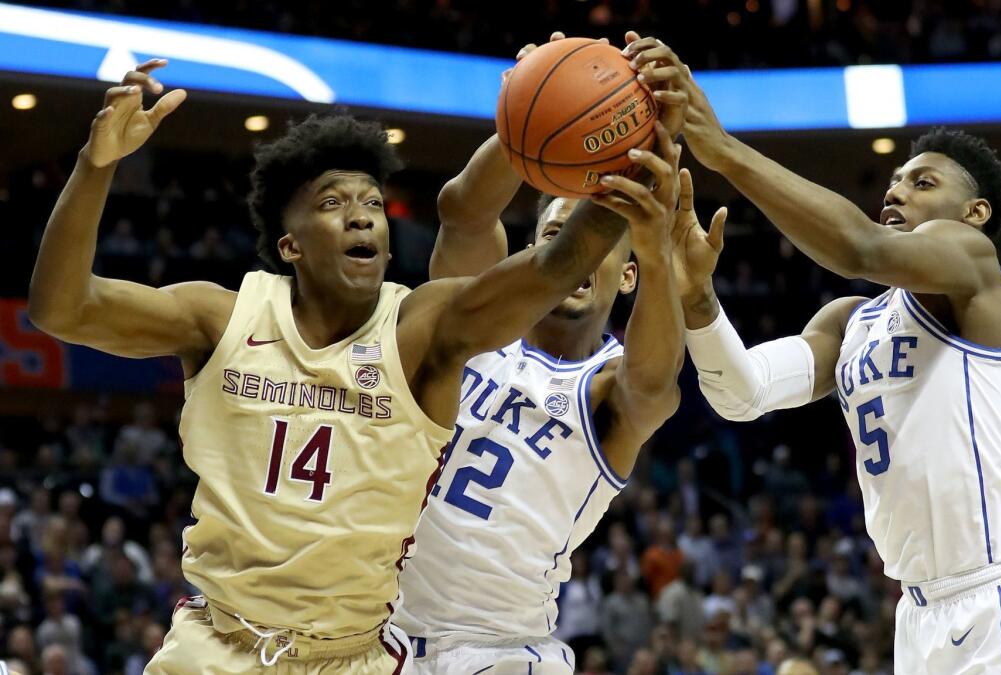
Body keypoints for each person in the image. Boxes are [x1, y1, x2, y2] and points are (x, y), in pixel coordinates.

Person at [28, 57, 654, 672]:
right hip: (215, 648)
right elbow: (63, 308)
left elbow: (556, 266)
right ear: (289, 243)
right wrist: (94, 165)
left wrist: (634, 143)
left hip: (350, 658)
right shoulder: (219, 318)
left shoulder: (421, 330)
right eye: (332, 203)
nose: (362, 216)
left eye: (373, 203)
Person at [627, 33, 1001, 673]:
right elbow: (743, 396)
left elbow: (860, 249)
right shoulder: (850, 323)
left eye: (923, 183)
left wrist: (723, 151)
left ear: (974, 212)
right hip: (918, 615)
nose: (897, 192)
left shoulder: (973, 265)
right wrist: (700, 299)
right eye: (895, 182)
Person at [394, 36, 712, 672]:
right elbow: (461, 214)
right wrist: (529, 112)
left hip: (499, 650)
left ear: (624, 275)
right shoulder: (468, 324)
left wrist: (652, 244)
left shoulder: (607, 386)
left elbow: (655, 385)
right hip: (379, 633)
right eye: (553, 236)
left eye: (590, 242)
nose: (573, 253)